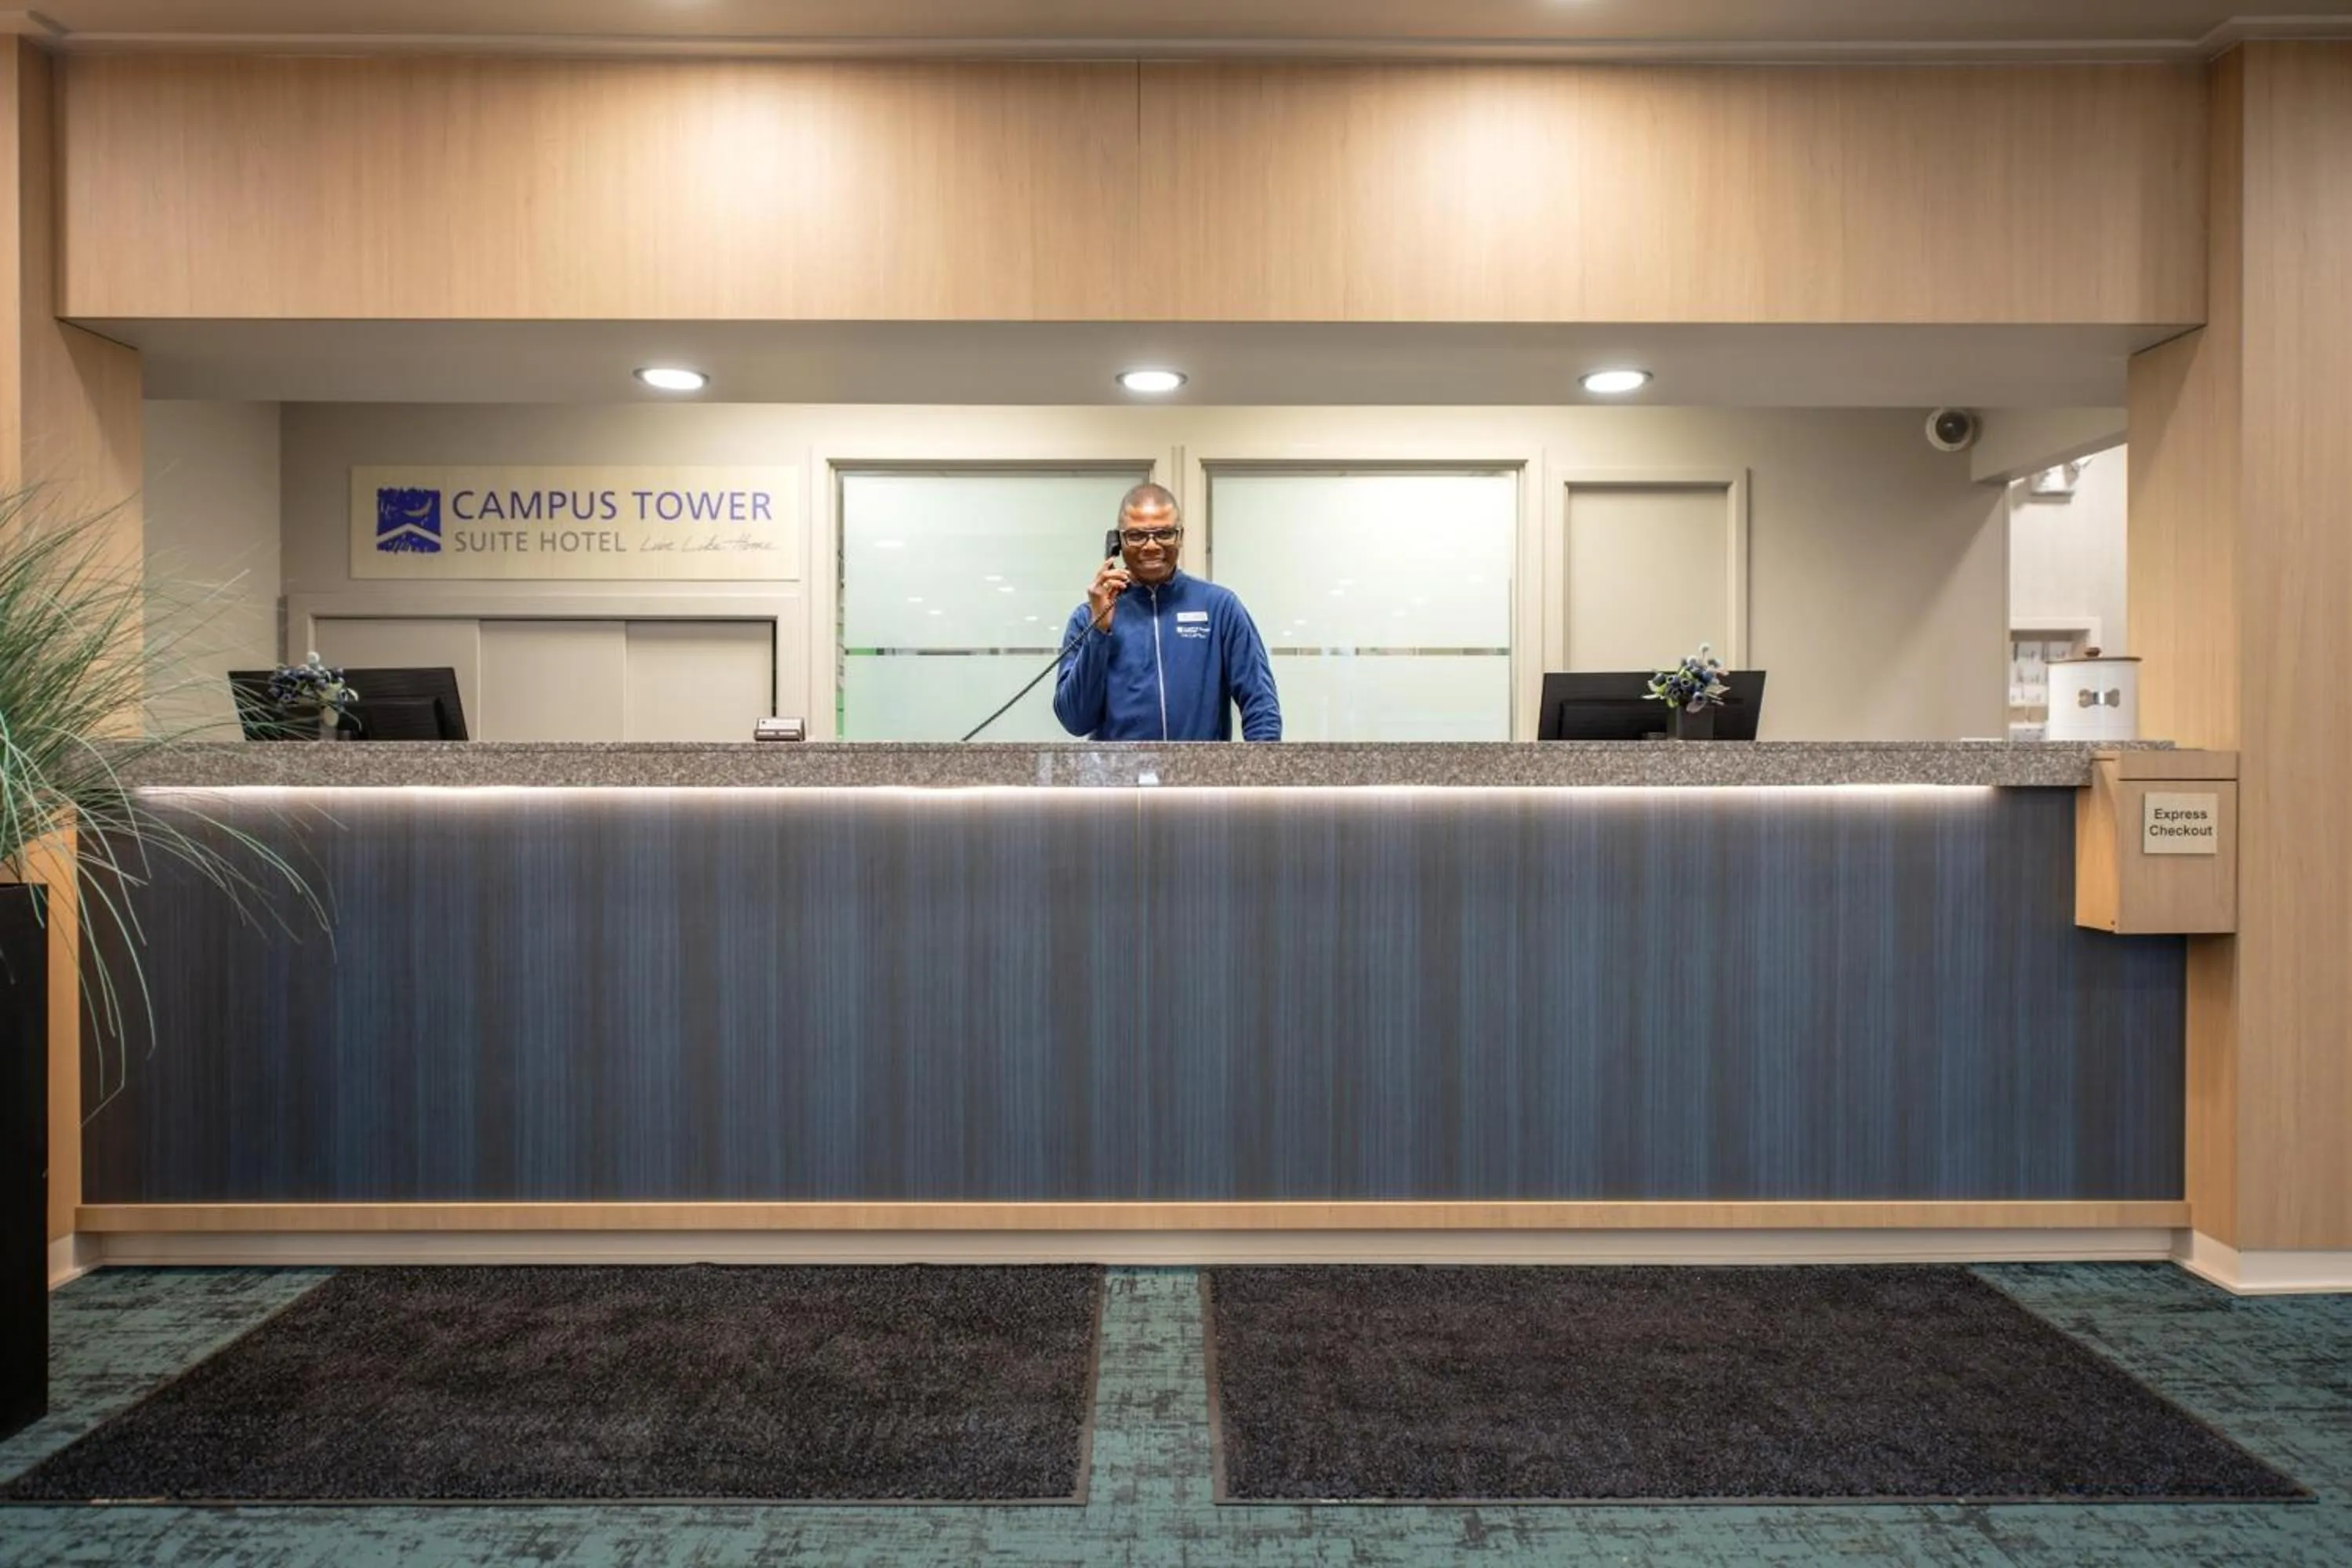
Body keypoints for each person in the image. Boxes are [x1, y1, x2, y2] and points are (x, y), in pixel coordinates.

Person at [1052, 483, 1281, 742]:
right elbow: (1075, 720)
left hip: (1201, 779)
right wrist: (1099, 631)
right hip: (1116, 780)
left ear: (1180, 536)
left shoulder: (1220, 607)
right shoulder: (1088, 617)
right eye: (1137, 536)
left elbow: (1261, 705)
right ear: (1117, 541)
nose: (1151, 546)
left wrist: (1260, 776)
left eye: (1164, 533)